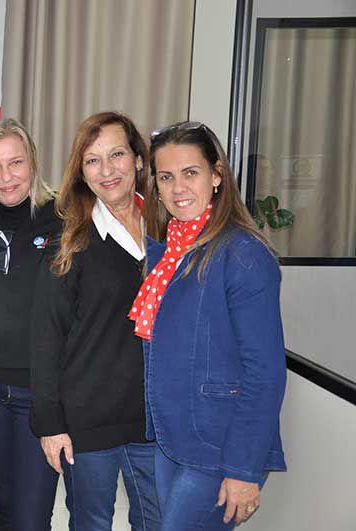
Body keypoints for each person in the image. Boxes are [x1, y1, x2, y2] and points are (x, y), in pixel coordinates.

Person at [133, 121, 286, 530]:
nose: (178, 188)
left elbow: (265, 371)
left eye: (191, 173)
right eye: (166, 177)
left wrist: (243, 469)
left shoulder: (243, 253)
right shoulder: (171, 252)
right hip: (174, 438)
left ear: (217, 175)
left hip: (221, 447)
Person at [30, 112, 161, 530]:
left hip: (153, 416)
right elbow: (46, 336)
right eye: (92, 160)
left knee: (157, 521)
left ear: (138, 159)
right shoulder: (69, 241)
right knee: (91, 523)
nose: (107, 170)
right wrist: (50, 424)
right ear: (81, 172)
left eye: (117, 155)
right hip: (87, 418)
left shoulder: (168, 230)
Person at [0, 118, 60, 530]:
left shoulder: (64, 220)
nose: (6, 177)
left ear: (33, 163)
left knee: (31, 519)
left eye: (15, 163)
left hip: (40, 395)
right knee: (1, 510)